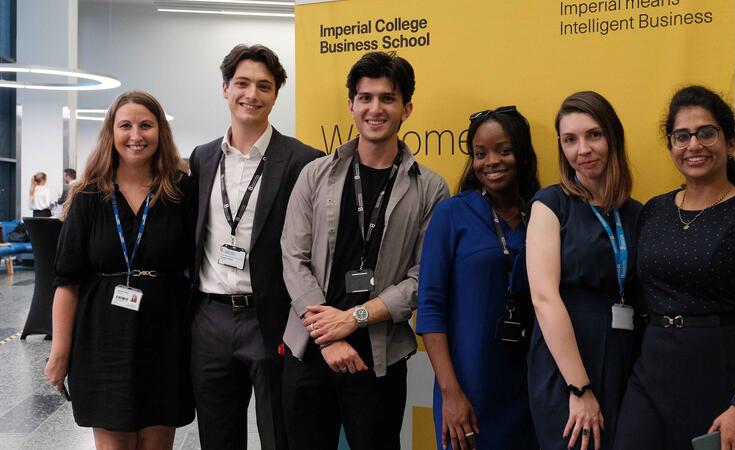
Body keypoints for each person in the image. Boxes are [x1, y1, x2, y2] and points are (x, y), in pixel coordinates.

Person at [613, 86, 735, 450]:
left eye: (706, 133)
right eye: (681, 136)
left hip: (724, 378)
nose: (693, 145)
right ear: (671, 146)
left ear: (730, 142)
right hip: (652, 374)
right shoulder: (654, 211)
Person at [280, 51, 449, 450]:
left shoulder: (431, 188)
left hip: (380, 357)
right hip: (310, 348)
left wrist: (353, 319)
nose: (375, 108)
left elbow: (424, 276)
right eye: (366, 97)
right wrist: (329, 335)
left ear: (406, 108)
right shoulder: (315, 174)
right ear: (351, 105)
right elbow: (292, 256)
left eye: (387, 98)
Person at [188, 44, 323, 450]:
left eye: (264, 86)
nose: (252, 94)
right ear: (225, 88)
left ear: (275, 95)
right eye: (242, 84)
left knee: (280, 434)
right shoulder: (202, 157)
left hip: (271, 319)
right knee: (217, 436)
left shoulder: (303, 161)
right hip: (209, 319)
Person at [44, 91, 196, 449]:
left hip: (166, 338)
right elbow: (67, 282)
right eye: (125, 125)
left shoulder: (181, 192)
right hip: (103, 342)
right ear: (111, 133)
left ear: (160, 132)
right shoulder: (89, 197)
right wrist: (60, 352)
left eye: (146, 125)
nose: (136, 135)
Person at [417, 106, 540, 450]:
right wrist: (451, 394)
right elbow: (430, 309)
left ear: (523, 154)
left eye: (504, 150)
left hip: (527, 387)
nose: (491, 161)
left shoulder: (542, 215)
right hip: (467, 388)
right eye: (480, 153)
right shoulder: (452, 214)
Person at [525, 91, 643, 450]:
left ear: (613, 137)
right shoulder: (550, 204)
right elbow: (544, 298)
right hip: (566, 362)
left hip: (626, 356)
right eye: (570, 140)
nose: (583, 149)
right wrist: (579, 387)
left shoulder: (636, 212)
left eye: (594, 135)